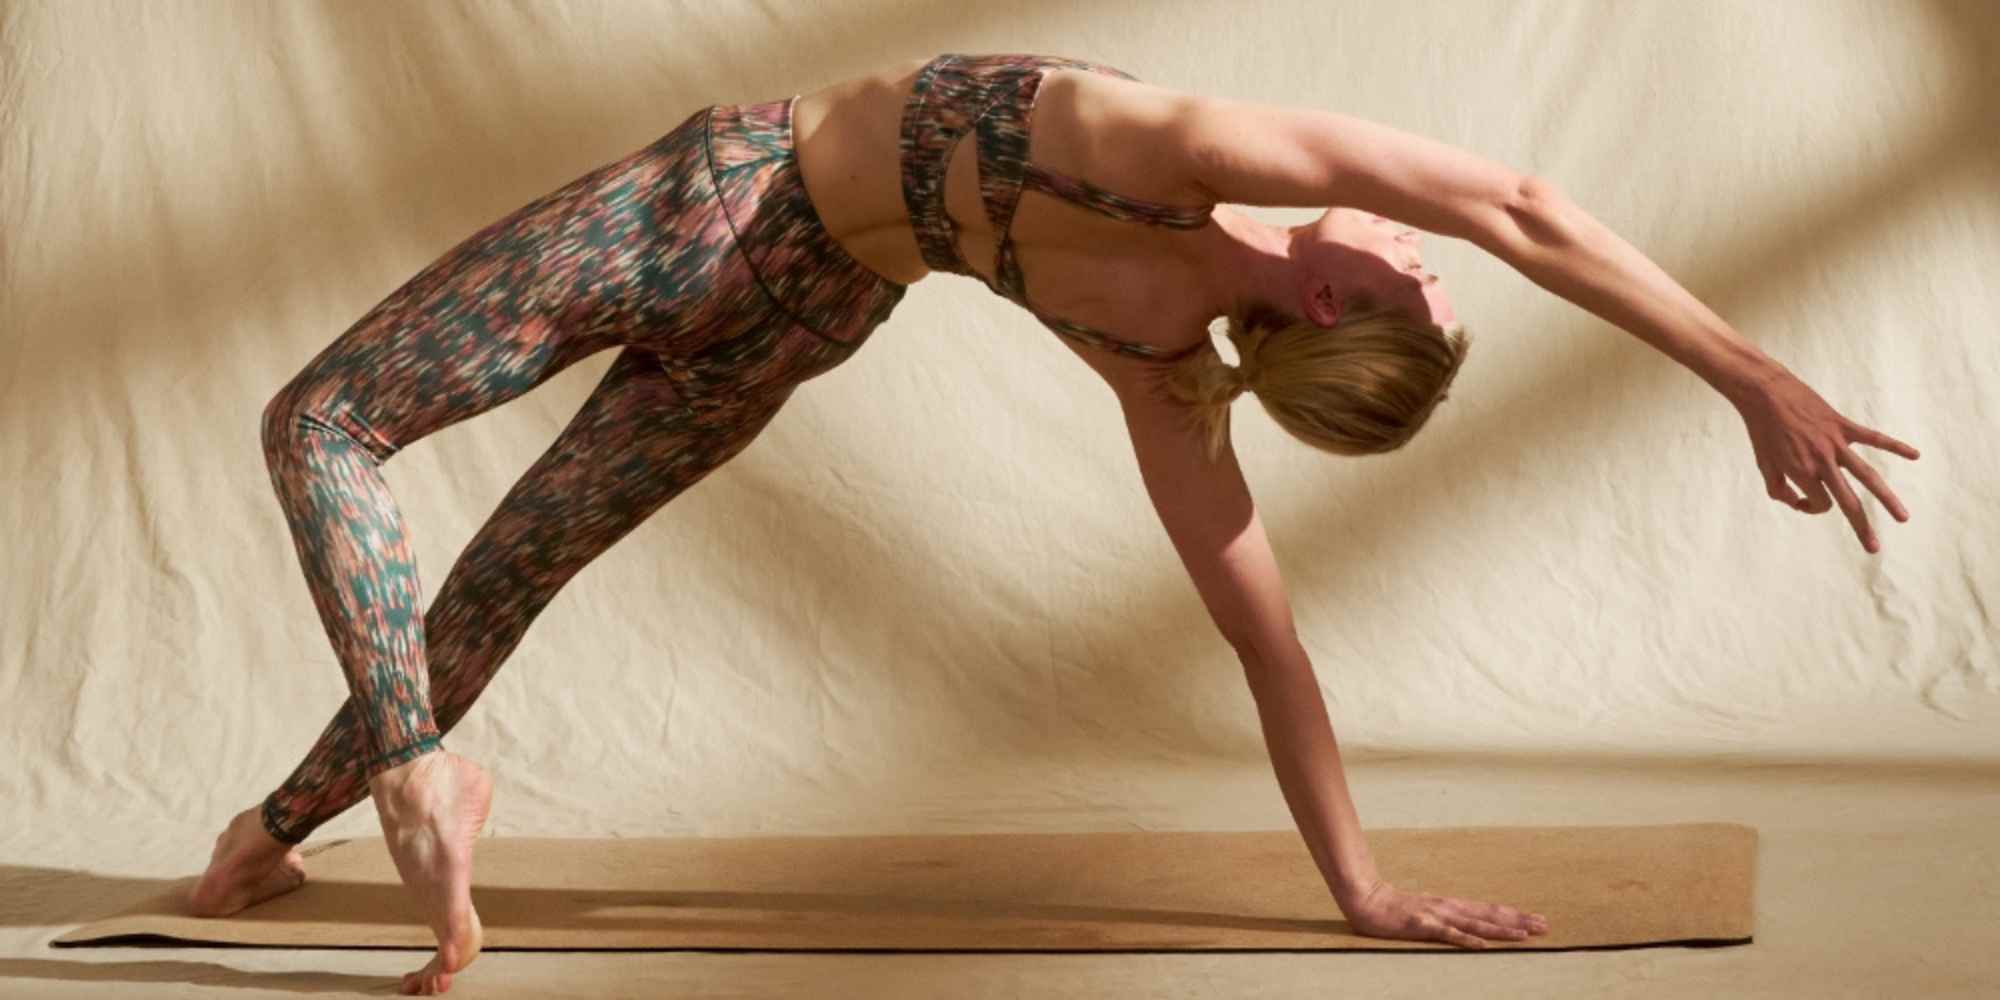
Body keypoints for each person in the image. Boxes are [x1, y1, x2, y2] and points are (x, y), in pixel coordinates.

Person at [184, 52, 1919, 993]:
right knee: (504, 580)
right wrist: (1363, 887)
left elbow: (1526, 205)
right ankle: (274, 831)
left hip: (717, 211)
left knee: (324, 419)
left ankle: (411, 778)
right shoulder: (1161, 367)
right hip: (799, 322)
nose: (1428, 251)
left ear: (1329, 300)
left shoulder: (1178, 149)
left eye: (1419, 286)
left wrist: (1748, 372)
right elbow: (1272, 646)